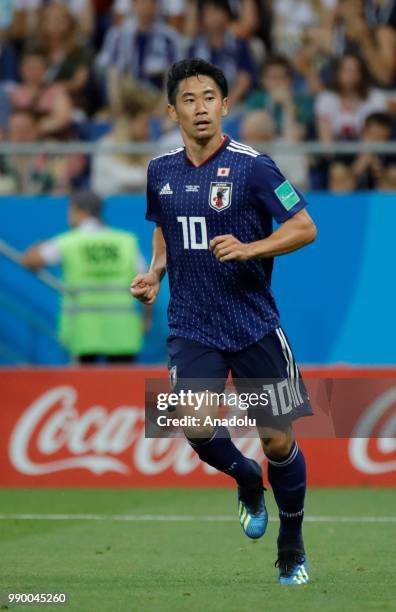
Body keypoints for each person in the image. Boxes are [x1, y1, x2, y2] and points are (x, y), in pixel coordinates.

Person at [131, 58, 317, 584]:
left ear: (226, 104)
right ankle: (247, 480)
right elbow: (165, 227)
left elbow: (305, 227)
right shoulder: (159, 171)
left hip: (255, 324)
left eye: (209, 97)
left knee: (279, 441)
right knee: (191, 421)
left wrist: (252, 247)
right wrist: (155, 272)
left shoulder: (255, 166)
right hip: (192, 324)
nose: (200, 107)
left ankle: (292, 545)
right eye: (189, 99)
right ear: (173, 111)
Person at [23, 191, 147, 364]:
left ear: (78, 210)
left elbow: (30, 260)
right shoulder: (125, 241)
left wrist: (39, 243)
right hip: (122, 332)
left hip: (83, 333)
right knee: (123, 388)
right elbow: (146, 282)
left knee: (84, 389)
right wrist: (146, 319)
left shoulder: (70, 241)